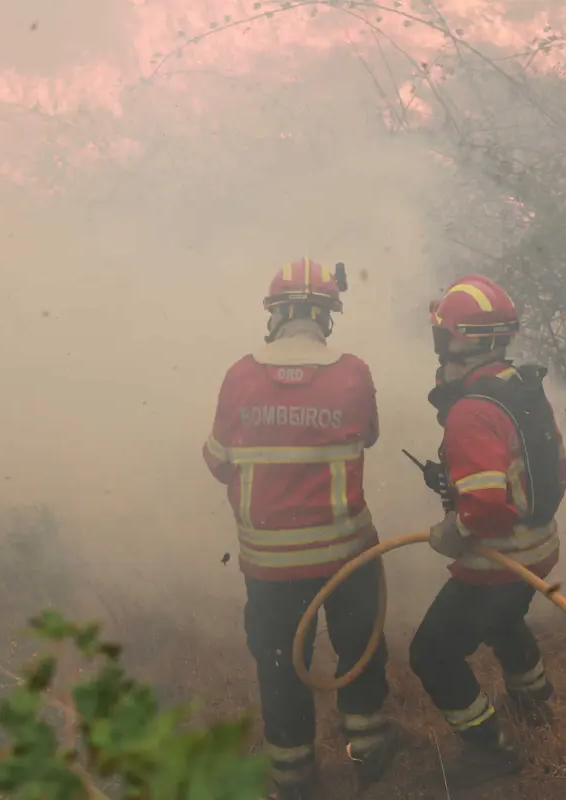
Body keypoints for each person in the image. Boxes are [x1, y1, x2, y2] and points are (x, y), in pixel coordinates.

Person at [202, 258, 397, 800]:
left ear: (276, 314)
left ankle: (293, 776)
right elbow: (370, 435)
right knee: (359, 649)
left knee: (281, 666)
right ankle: (369, 752)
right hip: (346, 555)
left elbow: (217, 461)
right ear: (326, 316)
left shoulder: (240, 376)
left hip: (270, 566)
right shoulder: (352, 373)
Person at [408, 273, 566, 789]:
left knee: (431, 653)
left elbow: (485, 508)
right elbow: (559, 472)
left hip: (498, 560)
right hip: (538, 549)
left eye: (442, 333)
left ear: (458, 339)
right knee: (504, 621)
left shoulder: (470, 410)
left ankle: (490, 748)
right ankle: (535, 706)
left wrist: (452, 531)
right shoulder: (522, 388)